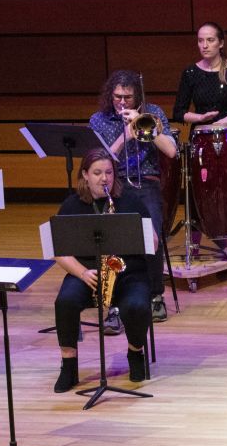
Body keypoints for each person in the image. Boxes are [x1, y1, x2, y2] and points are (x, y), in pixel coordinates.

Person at [51, 149, 155, 392]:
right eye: (97, 173)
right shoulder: (72, 205)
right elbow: (59, 251)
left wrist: (139, 233)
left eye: (108, 172)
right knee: (65, 302)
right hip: (88, 273)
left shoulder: (130, 201)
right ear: (85, 175)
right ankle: (69, 365)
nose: (104, 178)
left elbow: (153, 243)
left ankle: (135, 353)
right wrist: (82, 273)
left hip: (128, 272)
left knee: (137, 306)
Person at [89, 70, 177, 327]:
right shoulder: (99, 120)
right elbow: (97, 161)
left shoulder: (153, 112)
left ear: (137, 96)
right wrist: (124, 136)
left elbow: (171, 151)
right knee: (110, 240)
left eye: (127, 97)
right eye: (117, 97)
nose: (122, 102)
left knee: (152, 234)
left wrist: (143, 124)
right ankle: (113, 303)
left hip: (145, 183)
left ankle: (156, 295)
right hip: (113, 184)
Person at [172, 22, 227, 257]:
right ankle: (194, 245)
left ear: (221, 43)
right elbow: (178, 112)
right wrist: (200, 118)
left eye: (210, 40)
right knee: (198, 190)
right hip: (200, 138)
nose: (204, 45)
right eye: (200, 40)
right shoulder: (190, 73)